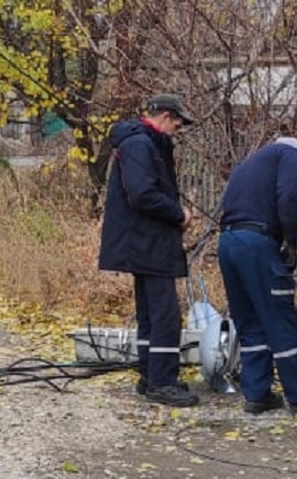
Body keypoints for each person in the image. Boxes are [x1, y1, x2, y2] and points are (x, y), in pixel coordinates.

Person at [217, 136, 297, 419]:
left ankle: (258, 394)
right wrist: (290, 240)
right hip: (256, 244)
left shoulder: (249, 164)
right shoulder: (288, 154)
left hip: (228, 242)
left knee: (250, 321)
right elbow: (289, 197)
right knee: (281, 320)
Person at [99, 94, 199, 407]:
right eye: (177, 124)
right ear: (166, 117)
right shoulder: (140, 145)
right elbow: (143, 194)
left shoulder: (142, 144)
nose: (177, 132)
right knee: (165, 314)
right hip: (148, 242)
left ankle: (150, 374)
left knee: (150, 313)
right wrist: (178, 213)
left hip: (144, 242)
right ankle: (162, 382)